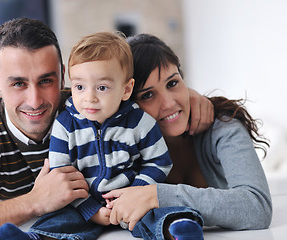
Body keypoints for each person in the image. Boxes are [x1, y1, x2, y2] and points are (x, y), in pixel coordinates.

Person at [0, 18, 212, 239]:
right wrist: (35, 201)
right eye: (18, 84)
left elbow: (130, 91)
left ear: (64, 77)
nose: (35, 100)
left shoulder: (81, 104)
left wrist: (189, 100)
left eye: (46, 80)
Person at [0, 32, 204, 240]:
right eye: (80, 87)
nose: (89, 98)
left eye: (102, 87)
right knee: (59, 219)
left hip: (132, 200)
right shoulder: (65, 125)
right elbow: (62, 175)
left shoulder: (140, 122)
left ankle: (178, 230)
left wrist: (136, 193)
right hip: (81, 206)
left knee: (158, 213)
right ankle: (33, 238)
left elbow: (159, 162)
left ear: (126, 89)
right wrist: (91, 211)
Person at [102, 34, 273, 232]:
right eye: (148, 95)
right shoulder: (119, 149)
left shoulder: (222, 128)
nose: (169, 103)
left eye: (172, 83)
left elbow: (257, 206)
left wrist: (155, 196)